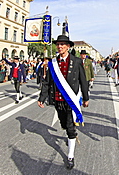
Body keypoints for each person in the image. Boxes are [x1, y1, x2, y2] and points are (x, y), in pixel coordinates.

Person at [38, 35, 89, 170]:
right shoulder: (53, 63)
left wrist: (86, 97)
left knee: (70, 127)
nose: (59, 47)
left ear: (68, 46)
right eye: (58, 44)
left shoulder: (77, 61)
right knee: (63, 124)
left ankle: (70, 156)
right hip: (57, 100)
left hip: (71, 101)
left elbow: (83, 81)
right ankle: (70, 134)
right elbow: (47, 82)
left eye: (62, 44)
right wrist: (42, 98)